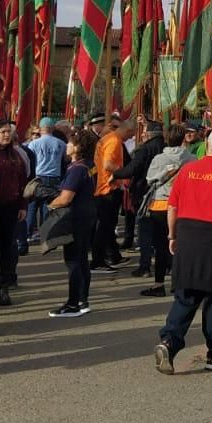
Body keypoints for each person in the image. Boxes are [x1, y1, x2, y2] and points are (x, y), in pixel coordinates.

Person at [153, 127, 212, 374]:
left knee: (185, 296)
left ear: (206, 146)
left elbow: (172, 207)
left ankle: (169, 341)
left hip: (187, 234)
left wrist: (172, 235)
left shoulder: (187, 171)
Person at [48, 130, 99, 317]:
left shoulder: (77, 168)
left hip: (76, 217)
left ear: (77, 147)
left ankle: (73, 303)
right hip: (88, 214)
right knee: (82, 259)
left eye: (70, 143)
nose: (67, 146)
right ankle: (83, 299)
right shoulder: (88, 165)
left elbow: (65, 198)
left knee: (74, 261)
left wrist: (49, 204)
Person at [140, 125, 191, 297]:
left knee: (161, 246)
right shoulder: (191, 159)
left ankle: (159, 283)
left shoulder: (159, 159)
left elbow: (150, 179)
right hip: (183, 204)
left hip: (161, 204)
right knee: (181, 244)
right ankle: (179, 282)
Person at [115, 121, 165, 279]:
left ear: (149, 134)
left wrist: (115, 174)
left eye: (144, 131)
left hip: (144, 193)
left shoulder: (145, 149)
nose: (142, 134)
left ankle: (145, 266)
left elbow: (133, 168)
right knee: (163, 233)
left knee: (145, 231)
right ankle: (167, 265)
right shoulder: (166, 148)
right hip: (164, 196)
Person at [0, 122, 28, 306]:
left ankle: (3, 287)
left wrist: (23, 206)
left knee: (6, 249)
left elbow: (23, 183)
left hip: (10, 207)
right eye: (2, 131)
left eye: (8, 132)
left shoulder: (16, 156)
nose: (6, 135)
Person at [91, 118, 133, 273]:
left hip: (103, 186)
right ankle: (98, 261)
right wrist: (123, 173)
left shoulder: (106, 139)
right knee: (104, 226)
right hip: (107, 188)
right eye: (131, 134)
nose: (130, 138)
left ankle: (112, 255)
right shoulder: (115, 141)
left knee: (106, 226)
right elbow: (108, 164)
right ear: (127, 131)